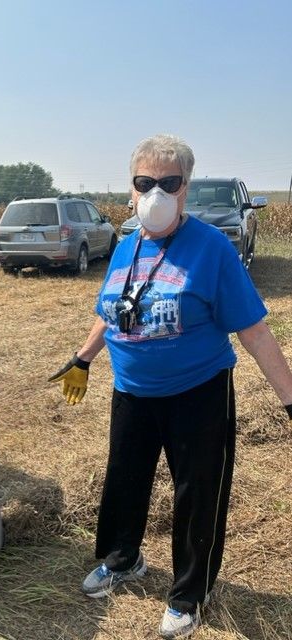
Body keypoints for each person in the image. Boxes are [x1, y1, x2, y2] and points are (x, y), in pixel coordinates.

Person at [49, 134, 292, 639]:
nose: (155, 192)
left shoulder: (212, 249)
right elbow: (112, 313)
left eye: (169, 182)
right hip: (132, 390)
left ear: (185, 189)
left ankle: (189, 593)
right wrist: (83, 358)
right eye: (145, 182)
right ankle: (123, 560)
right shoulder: (124, 248)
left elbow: (254, 330)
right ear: (131, 190)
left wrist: (290, 398)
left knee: (196, 492)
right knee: (125, 479)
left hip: (197, 393)